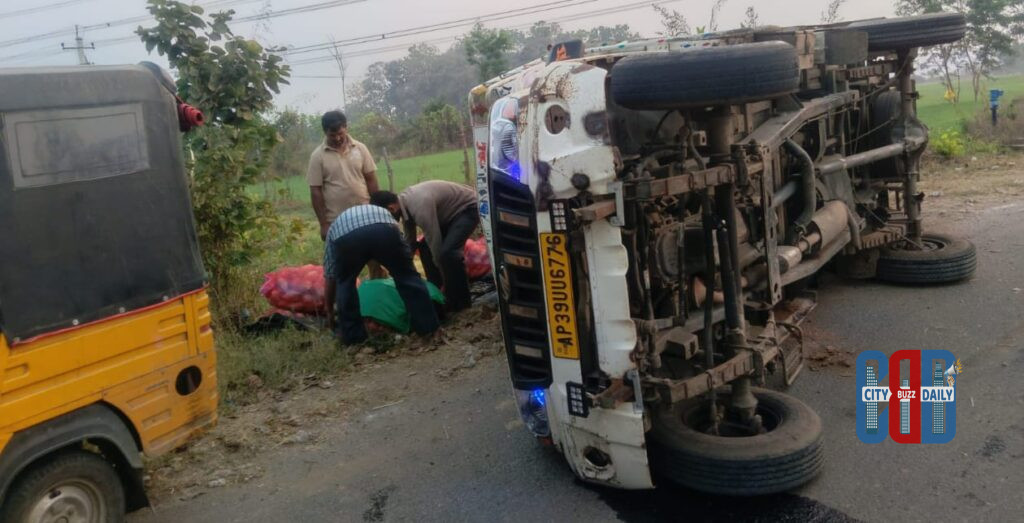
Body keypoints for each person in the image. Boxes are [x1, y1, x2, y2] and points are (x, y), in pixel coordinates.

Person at [323, 191, 440, 345]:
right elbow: (401, 245)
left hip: (347, 238)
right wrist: (406, 267)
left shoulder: (334, 227)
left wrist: (329, 310)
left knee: (345, 283)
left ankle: (354, 341)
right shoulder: (382, 212)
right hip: (383, 230)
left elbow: (331, 274)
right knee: (406, 277)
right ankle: (429, 329)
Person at [308, 110, 385, 279]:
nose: (337, 138)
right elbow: (315, 191)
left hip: (365, 214)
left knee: (375, 259)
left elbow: (371, 179)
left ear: (346, 128)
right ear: (325, 132)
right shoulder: (317, 156)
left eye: (340, 133)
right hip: (337, 220)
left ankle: (377, 293)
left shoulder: (360, 148)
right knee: (343, 266)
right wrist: (323, 224)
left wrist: (378, 209)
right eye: (332, 134)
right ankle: (343, 302)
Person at [381, 181, 480, 312]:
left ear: (391, 208)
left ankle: (462, 304)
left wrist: (444, 276)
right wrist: (402, 268)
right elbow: (410, 241)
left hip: (468, 209)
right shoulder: (404, 204)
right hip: (449, 215)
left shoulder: (419, 205)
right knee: (423, 248)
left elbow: (434, 240)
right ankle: (436, 294)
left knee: (448, 253)